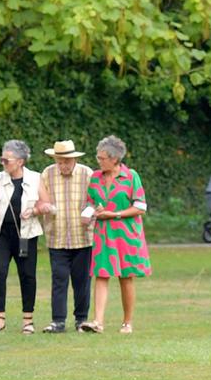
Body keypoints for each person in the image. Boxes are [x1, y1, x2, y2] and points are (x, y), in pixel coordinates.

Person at [78, 135, 151, 333]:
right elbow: (91, 202)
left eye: (102, 158)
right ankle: (97, 322)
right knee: (101, 275)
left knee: (125, 277)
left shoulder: (131, 176)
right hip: (103, 235)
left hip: (126, 235)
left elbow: (140, 207)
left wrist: (115, 214)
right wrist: (87, 214)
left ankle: (127, 323)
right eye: (98, 157)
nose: (98, 161)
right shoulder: (94, 178)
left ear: (115, 159)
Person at [0, 140, 43, 334]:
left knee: (28, 275)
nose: (3, 163)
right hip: (0, 234)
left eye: (7, 160)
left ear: (21, 161)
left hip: (26, 234)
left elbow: (48, 205)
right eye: (2, 159)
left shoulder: (36, 179)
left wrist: (35, 210)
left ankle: (28, 320)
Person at [32, 139, 93, 333]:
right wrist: (44, 207)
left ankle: (81, 320)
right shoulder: (47, 174)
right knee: (59, 279)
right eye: (59, 161)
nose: (63, 165)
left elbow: (96, 200)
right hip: (56, 236)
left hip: (82, 237)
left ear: (74, 159)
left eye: (66, 161)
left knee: (82, 280)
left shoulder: (87, 174)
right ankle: (58, 321)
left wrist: (89, 212)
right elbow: (39, 201)